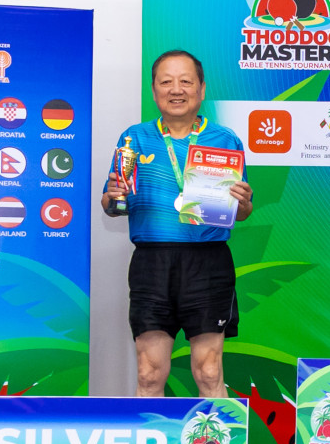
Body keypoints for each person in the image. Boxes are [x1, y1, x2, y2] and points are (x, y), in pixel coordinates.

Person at [102, 50, 252, 399]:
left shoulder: (225, 140)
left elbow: (240, 212)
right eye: (166, 82)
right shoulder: (134, 139)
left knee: (209, 369)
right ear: (153, 91)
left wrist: (242, 204)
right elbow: (111, 207)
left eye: (186, 81)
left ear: (201, 89)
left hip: (208, 263)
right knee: (150, 373)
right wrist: (111, 196)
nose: (176, 89)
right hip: (152, 262)